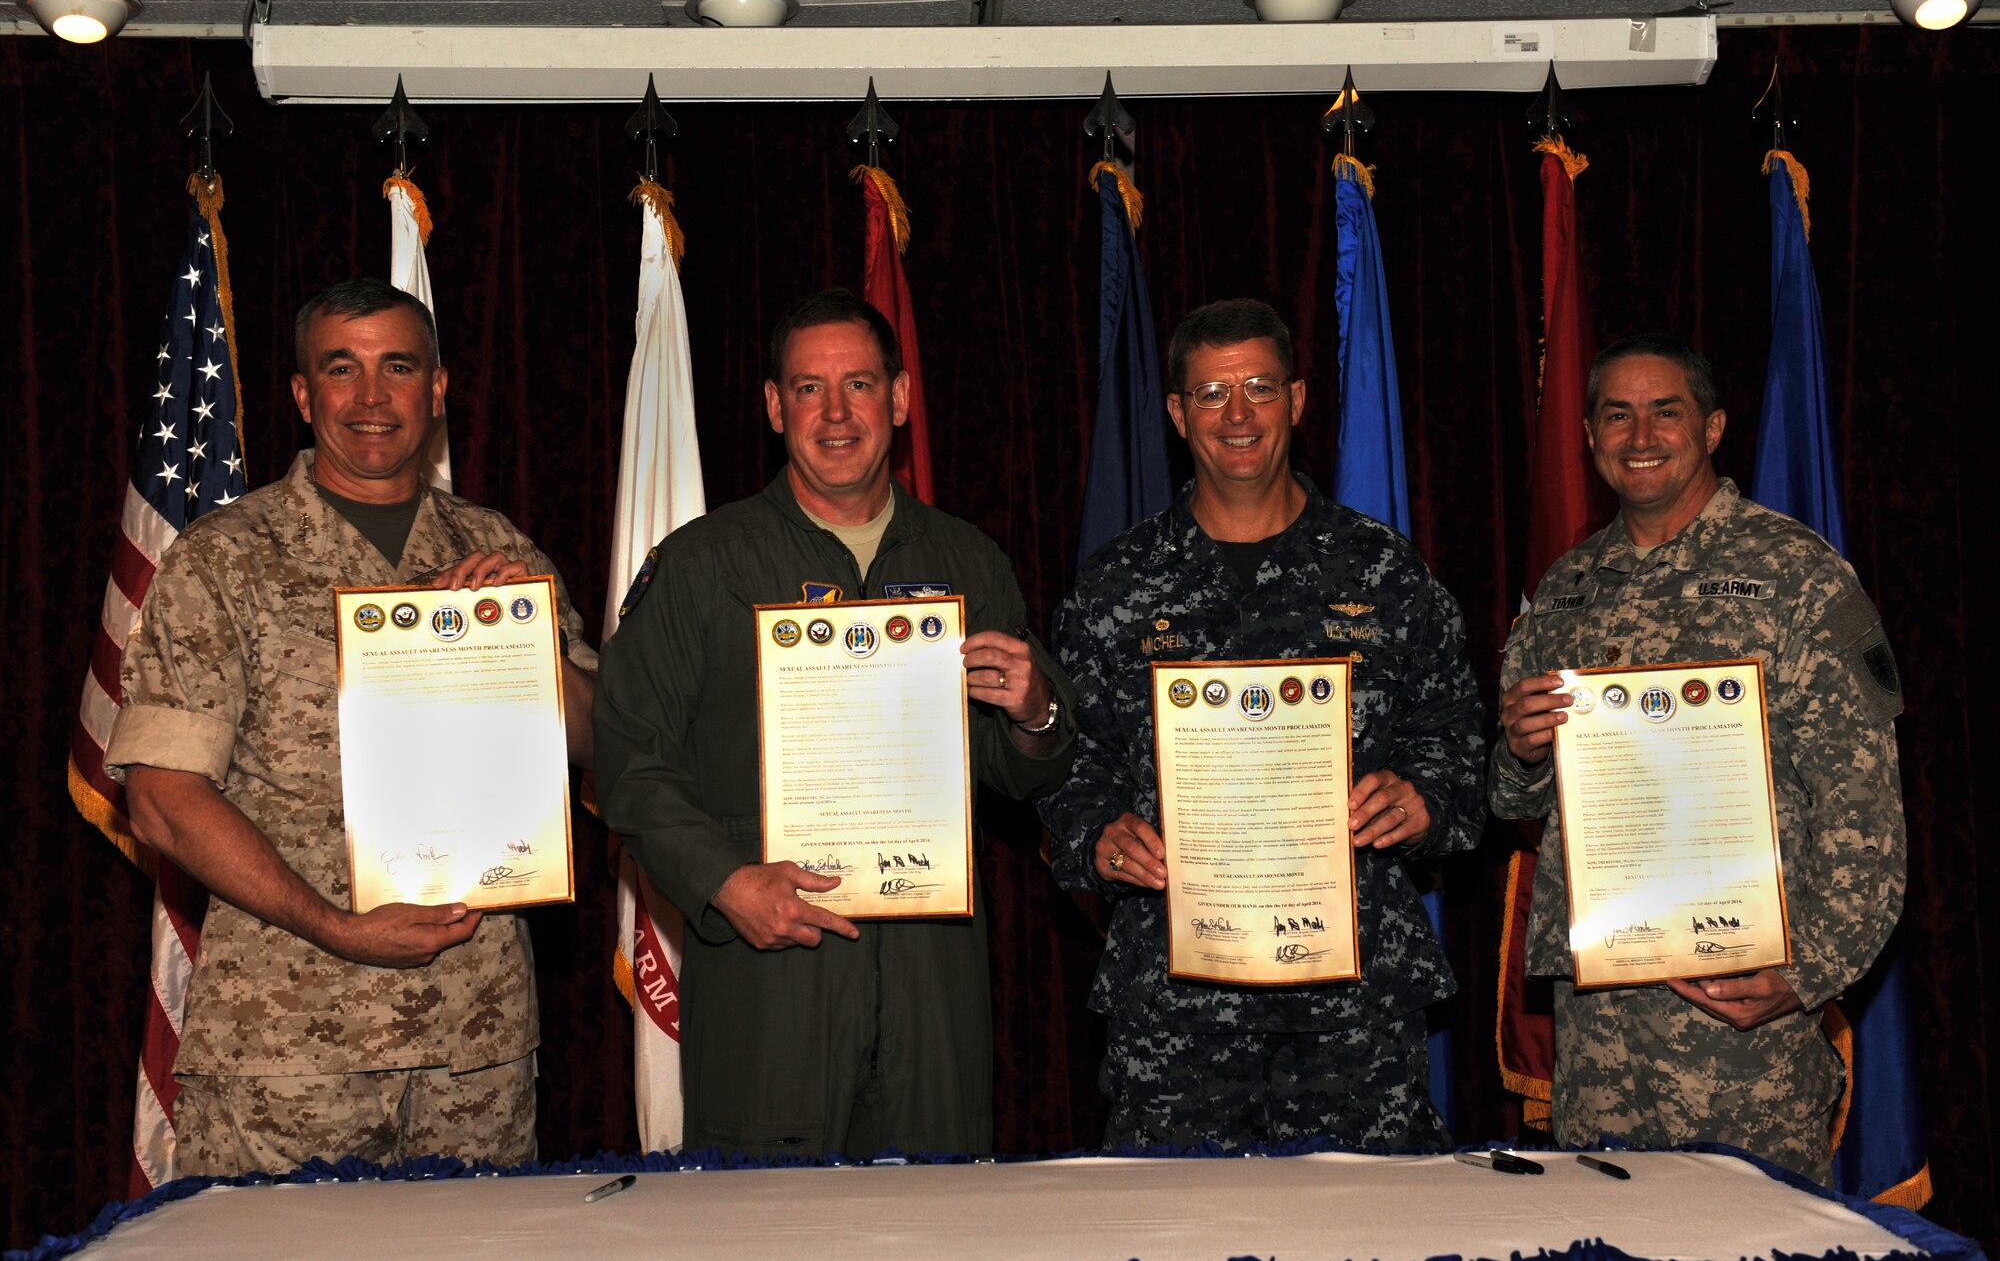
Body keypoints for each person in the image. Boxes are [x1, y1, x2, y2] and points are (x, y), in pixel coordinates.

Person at [105, 278, 597, 1176]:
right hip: (289, 1053)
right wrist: (333, 925)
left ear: (437, 389)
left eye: (397, 367)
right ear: (302, 395)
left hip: (474, 1048)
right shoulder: (225, 558)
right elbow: (163, 802)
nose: (371, 397)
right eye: (342, 369)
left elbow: (595, 741)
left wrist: (531, 654)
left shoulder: (501, 550)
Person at [594, 289, 1077, 1159]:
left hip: (932, 979)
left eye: (858, 384)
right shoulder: (704, 565)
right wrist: (726, 881)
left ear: (898, 397)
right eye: (809, 389)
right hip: (769, 978)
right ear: (775, 407)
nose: (837, 412)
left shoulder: (967, 559)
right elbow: (631, 760)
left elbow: (1025, 772)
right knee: (767, 1234)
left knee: (936, 1226)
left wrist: (1036, 708)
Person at [1038, 298, 1484, 1150]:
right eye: (1211, 393)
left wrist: (1424, 798)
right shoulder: (1115, 586)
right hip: (1174, 1013)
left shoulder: (1385, 571)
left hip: (1353, 1013)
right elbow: (1067, 760)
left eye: (1259, 388)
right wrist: (1097, 836)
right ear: (1176, 414)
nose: (1237, 415)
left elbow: (1456, 736)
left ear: (1299, 399)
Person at [1490, 335, 1906, 1183]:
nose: (1640, 433)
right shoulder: (1565, 591)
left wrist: (1807, 968)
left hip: (1743, 1043)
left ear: (1712, 427)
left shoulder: (1799, 579)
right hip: (1600, 1046)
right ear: (1589, 434)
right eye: (1618, 413)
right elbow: (1513, 801)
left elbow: (1863, 811)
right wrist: (1522, 748)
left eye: (1665, 410)